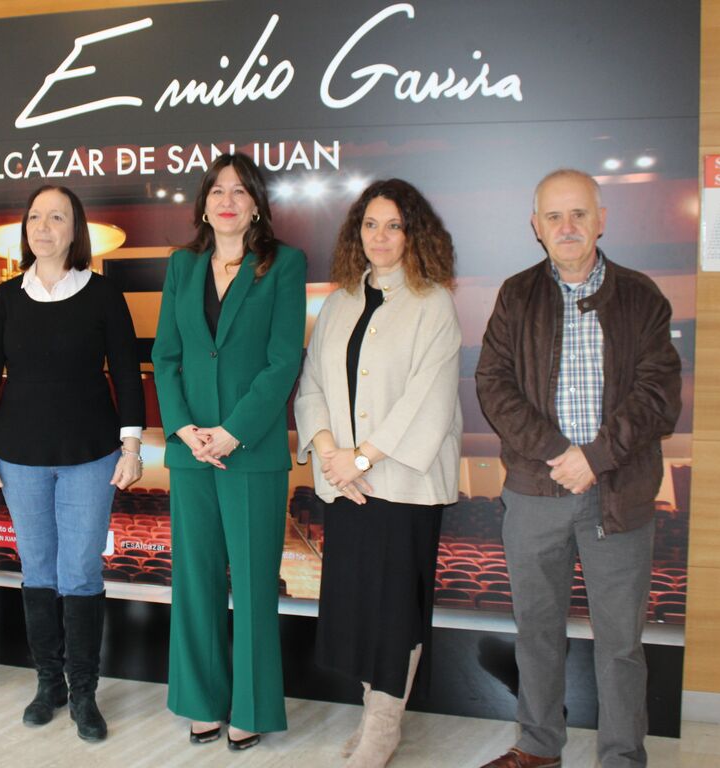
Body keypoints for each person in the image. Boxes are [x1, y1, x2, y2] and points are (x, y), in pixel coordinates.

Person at [475, 169, 682, 768]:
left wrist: (593, 458)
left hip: (618, 495)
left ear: (602, 219)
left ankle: (621, 757)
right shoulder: (516, 295)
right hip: (535, 492)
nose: (567, 228)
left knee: (620, 646)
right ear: (535, 227)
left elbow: (658, 395)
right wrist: (555, 452)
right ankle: (539, 749)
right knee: (537, 632)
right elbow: (494, 385)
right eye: (554, 217)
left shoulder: (642, 297)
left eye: (579, 215)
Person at [0, 185, 145, 741]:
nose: (44, 227)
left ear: (75, 230)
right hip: (19, 457)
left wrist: (133, 446)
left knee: (80, 574)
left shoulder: (102, 296)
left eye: (57, 218)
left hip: (90, 456)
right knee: (39, 572)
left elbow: (126, 370)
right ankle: (49, 684)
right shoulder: (5, 298)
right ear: (26, 229)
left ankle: (84, 693)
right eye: (36, 218)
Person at [294, 179, 461, 767]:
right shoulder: (340, 301)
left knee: (395, 611)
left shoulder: (433, 301)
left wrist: (362, 457)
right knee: (359, 606)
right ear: (356, 233)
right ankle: (373, 716)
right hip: (346, 486)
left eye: (394, 225)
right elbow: (312, 382)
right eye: (370, 225)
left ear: (413, 232)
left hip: (403, 485)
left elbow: (429, 398)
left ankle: (383, 728)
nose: (381, 237)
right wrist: (327, 450)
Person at [152, 152, 306, 750]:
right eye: (217, 189)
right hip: (191, 454)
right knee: (195, 584)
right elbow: (166, 357)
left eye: (240, 191)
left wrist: (233, 432)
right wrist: (185, 429)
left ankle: (251, 706)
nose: (227, 199)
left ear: (257, 205)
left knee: (253, 585)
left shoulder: (283, 265)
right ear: (203, 202)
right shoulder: (182, 266)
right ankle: (200, 700)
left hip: (251, 452)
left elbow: (282, 361)